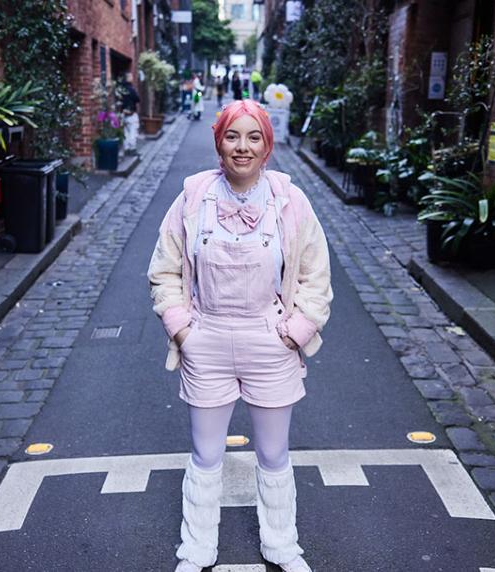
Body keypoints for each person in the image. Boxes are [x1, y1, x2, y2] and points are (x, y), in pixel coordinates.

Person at [148, 100, 333, 572]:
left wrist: (297, 330)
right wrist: (182, 328)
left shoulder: (289, 201)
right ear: (219, 143)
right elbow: (165, 267)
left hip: (269, 341)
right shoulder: (193, 197)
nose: (242, 147)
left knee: (273, 453)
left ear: (267, 145)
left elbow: (315, 272)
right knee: (206, 454)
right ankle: (197, 549)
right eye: (233, 136)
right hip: (205, 338)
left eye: (254, 137)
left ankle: (282, 545)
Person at [118, 72, 141, 155]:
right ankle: (132, 149)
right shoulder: (131, 89)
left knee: (125, 132)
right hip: (131, 113)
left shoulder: (120, 89)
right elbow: (137, 99)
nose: (132, 77)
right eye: (130, 76)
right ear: (127, 78)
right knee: (133, 131)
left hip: (122, 113)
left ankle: (126, 148)